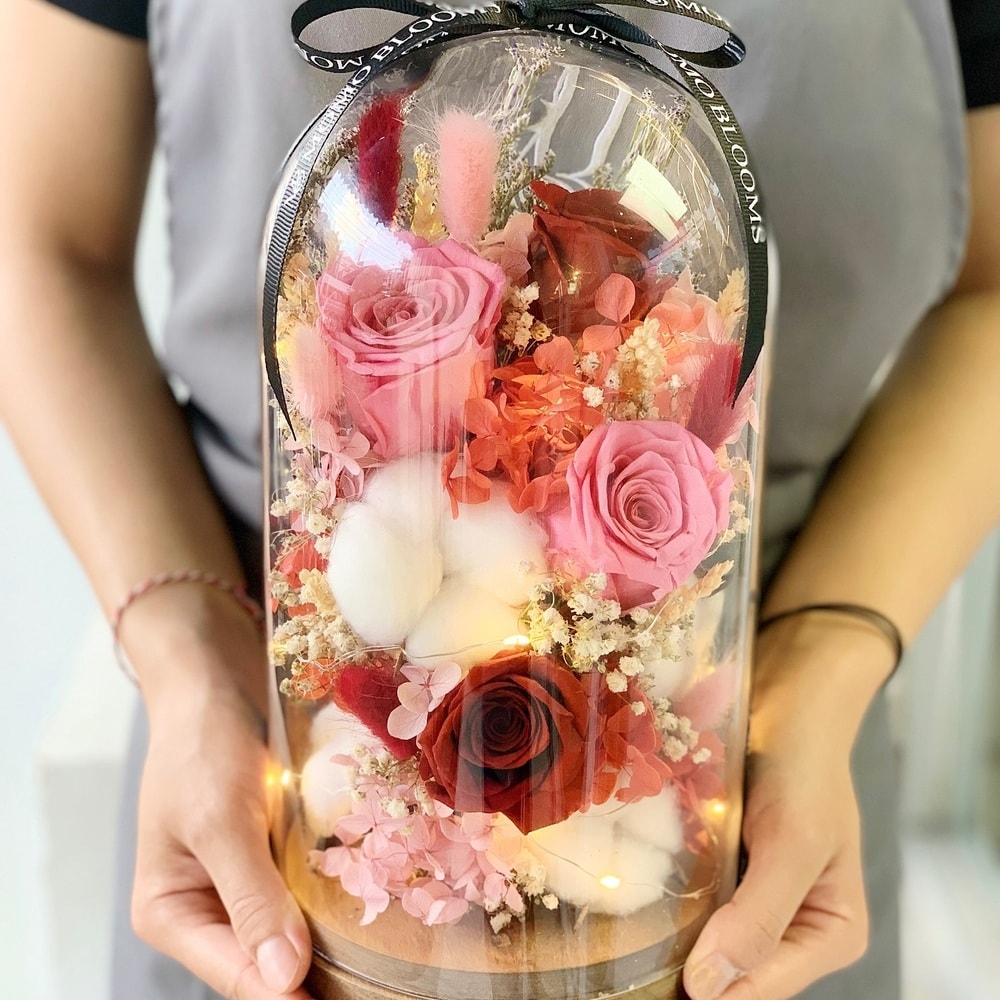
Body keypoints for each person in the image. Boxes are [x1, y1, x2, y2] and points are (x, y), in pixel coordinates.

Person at [1, 1, 998, 999]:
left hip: (753, 765)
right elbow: (39, 244)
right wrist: (190, 664)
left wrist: (818, 669)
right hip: (266, 757)